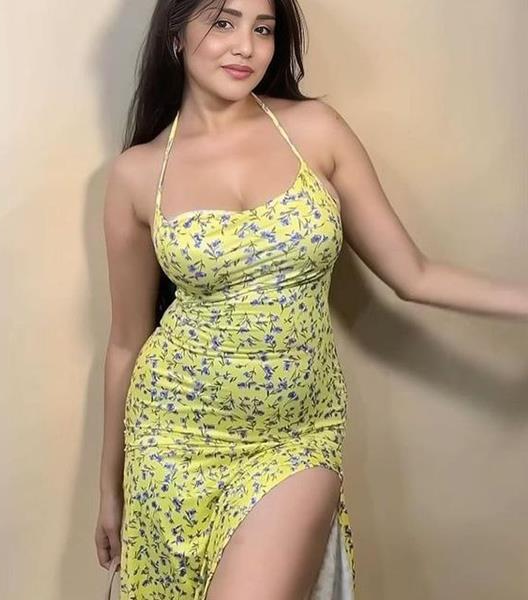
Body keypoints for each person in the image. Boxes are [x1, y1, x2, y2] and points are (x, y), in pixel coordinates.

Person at [95, 1, 528, 599]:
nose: (246, 46)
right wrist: (110, 487)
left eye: (263, 29)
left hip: (295, 438)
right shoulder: (137, 174)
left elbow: (415, 275)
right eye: (223, 22)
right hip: (170, 440)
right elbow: (127, 342)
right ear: (175, 35)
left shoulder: (314, 131)